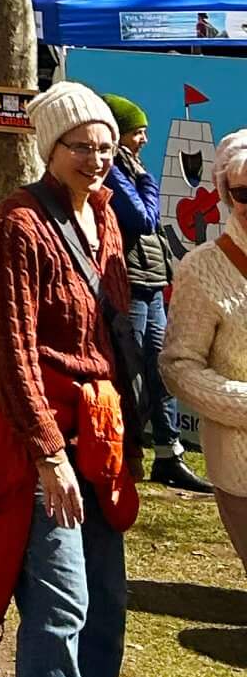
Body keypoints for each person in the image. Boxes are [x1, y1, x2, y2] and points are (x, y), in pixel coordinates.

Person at [0, 84, 138, 677]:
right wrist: (48, 454)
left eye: (105, 146)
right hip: (40, 443)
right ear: (50, 147)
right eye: (81, 146)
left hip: (100, 437)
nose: (96, 157)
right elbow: (10, 350)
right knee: (62, 609)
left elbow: (112, 336)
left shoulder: (104, 214)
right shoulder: (17, 227)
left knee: (107, 607)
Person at [104, 93, 207, 493]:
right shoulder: (116, 169)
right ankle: (125, 450)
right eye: (138, 131)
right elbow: (144, 219)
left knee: (161, 369)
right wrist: (146, 181)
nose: (145, 139)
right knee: (130, 371)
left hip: (150, 278)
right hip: (129, 280)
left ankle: (169, 452)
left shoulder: (129, 165)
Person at [163, 123, 247, 567]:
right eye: (245, 193)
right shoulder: (203, 269)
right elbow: (178, 365)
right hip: (241, 462)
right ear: (226, 194)